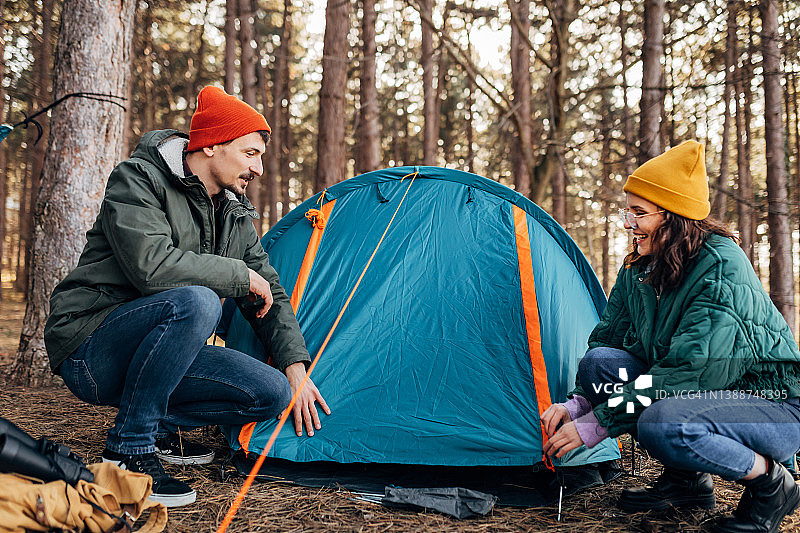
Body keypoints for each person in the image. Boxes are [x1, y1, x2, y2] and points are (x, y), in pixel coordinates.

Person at [43, 86, 330, 507]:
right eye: (250, 153)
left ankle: (157, 427)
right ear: (212, 145)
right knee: (198, 301)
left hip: (157, 350)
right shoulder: (138, 179)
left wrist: (295, 366)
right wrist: (237, 275)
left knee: (271, 392)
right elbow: (151, 266)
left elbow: (269, 292)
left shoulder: (233, 212)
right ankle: (128, 449)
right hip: (90, 346)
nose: (258, 168)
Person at [541, 141, 800, 533]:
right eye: (627, 211)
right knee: (600, 364)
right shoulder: (640, 267)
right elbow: (608, 339)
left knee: (663, 421)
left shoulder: (720, 267)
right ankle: (686, 482)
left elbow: (688, 373)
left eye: (639, 213)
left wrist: (596, 424)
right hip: (703, 396)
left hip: (771, 408)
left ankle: (772, 485)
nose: (628, 223)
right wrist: (578, 404)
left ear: (674, 216)